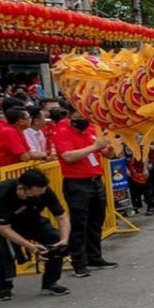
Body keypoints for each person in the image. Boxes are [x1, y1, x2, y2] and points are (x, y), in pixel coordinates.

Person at [0, 169, 72, 301]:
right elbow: (4, 229)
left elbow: (62, 217)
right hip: (2, 226)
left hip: (31, 220)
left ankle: (50, 282)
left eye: (40, 194)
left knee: (54, 239)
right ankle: (5, 287)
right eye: (34, 195)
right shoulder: (1, 194)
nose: (38, 197)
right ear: (21, 188)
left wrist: (64, 240)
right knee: (2, 251)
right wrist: (30, 246)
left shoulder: (44, 191)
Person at [53, 111, 116, 278]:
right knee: (79, 224)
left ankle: (94, 257)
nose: (84, 120)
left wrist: (110, 148)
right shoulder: (62, 131)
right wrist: (94, 147)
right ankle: (79, 262)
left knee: (96, 221)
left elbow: (106, 153)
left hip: (95, 179)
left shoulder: (91, 129)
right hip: (77, 182)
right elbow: (67, 156)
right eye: (79, 116)